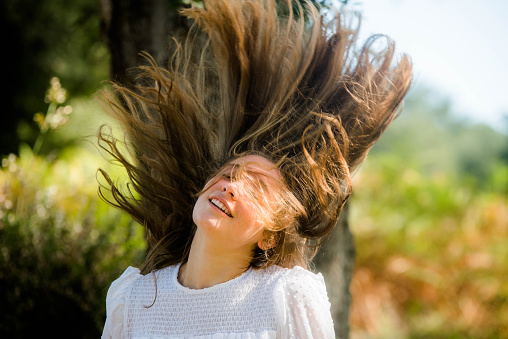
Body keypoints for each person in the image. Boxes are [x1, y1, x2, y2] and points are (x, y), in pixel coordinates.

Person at [98, 0, 412, 338]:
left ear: (268, 237)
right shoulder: (132, 298)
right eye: (229, 173)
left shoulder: (286, 296)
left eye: (258, 188)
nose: (231, 186)